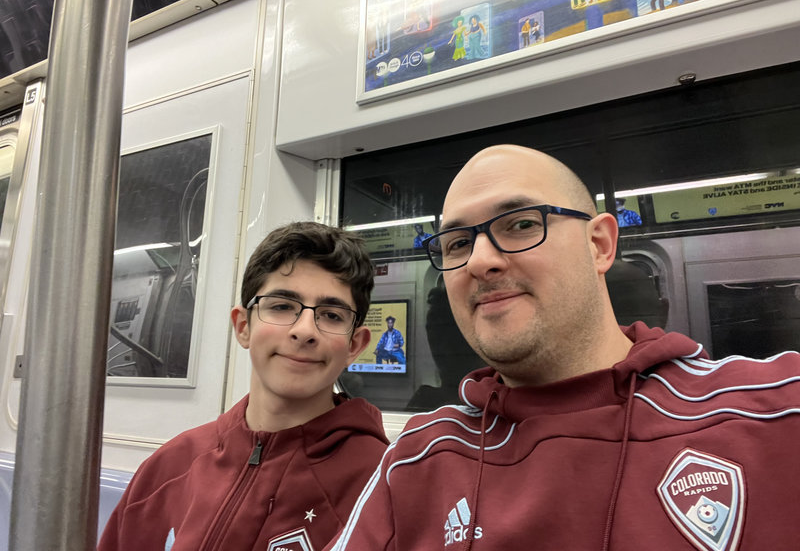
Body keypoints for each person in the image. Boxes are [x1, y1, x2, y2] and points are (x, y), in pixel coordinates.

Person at [327, 145, 800, 550]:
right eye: (456, 243)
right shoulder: (417, 460)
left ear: (599, 245)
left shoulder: (773, 412)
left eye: (519, 224)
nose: (481, 261)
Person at [99, 222, 389, 551]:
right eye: (281, 306)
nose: (305, 330)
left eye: (332, 315)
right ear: (242, 326)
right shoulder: (169, 468)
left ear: (355, 345)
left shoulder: (384, 487)